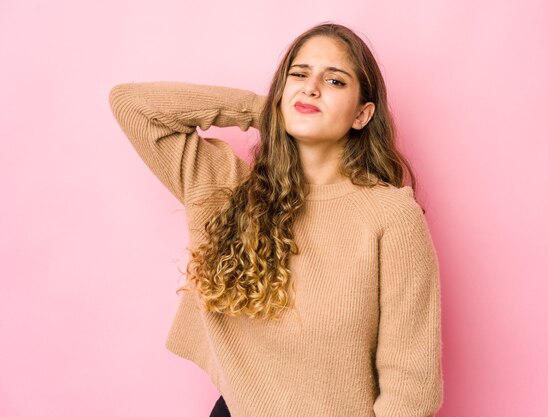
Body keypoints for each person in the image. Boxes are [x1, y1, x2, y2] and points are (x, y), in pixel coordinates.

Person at [109, 22, 443, 417]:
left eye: (335, 81)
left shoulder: (390, 215)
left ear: (362, 114)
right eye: (298, 75)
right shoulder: (228, 188)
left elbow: (413, 386)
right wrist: (264, 109)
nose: (311, 88)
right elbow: (131, 104)